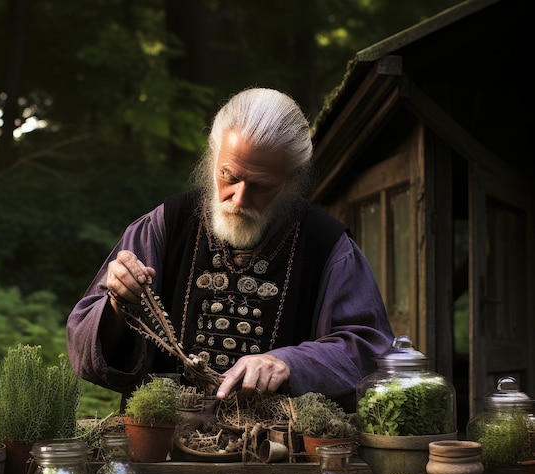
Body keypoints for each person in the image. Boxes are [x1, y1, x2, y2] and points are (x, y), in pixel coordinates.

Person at [66, 87, 394, 412]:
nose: (238, 199)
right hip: (164, 451)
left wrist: (290, 363)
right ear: (213, 157)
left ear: (291, 179)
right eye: (228, 175)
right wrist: (118, 304)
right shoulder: (164, 224)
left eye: (261, 186)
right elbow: (83, 348)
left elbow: (371, 353)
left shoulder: (329, 246)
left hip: (279, 455)